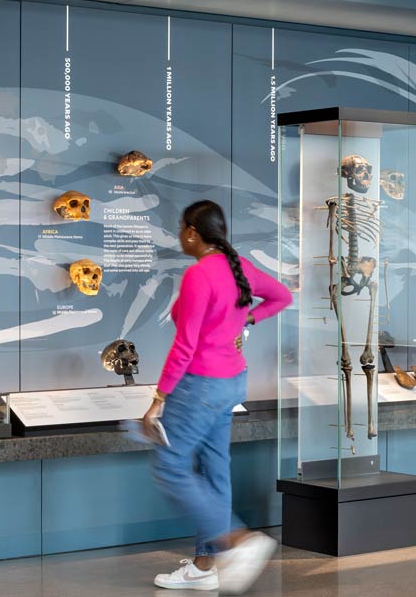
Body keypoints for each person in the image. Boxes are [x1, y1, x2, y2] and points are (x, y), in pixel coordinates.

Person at [145, 200, 292, 594]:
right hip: (231, 383)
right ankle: (205, 565)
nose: (179, 235)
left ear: (193, 232)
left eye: (181, 228)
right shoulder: (237, 266)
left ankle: (238, 540)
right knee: (215, 469)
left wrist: (160, 396)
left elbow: (185, 345)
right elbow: (281, 296)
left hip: (200, 385)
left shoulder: (199, 275)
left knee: (170, 466)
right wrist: (248, 318)